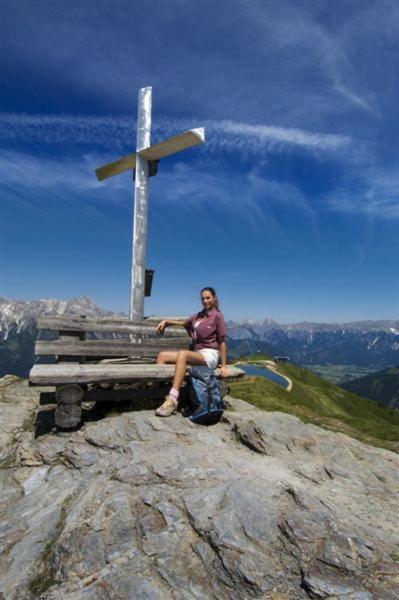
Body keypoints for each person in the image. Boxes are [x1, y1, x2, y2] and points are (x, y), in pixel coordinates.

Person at [154, 287, 228, 417]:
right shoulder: (198, 316)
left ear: (214, 298)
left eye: (208, 298)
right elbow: (184, 323)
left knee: (183, 354)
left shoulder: (217, 316)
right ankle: (158, 396)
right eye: (203, 298)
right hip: (197, 354)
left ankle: (172, 399)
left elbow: (222, 341)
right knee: (162, 356)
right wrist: (166, 322)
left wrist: (224, 366)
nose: (205, 301)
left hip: (209, 355)